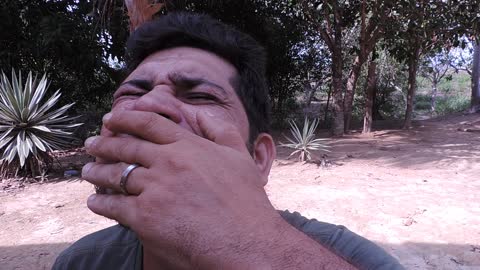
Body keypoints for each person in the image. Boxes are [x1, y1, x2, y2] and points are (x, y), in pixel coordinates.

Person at [52, 12, 404, 270]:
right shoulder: (81, 263)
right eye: (131, 92)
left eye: (201, 96)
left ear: (258, 158)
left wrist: (251, 246)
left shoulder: (351, 257)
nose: (147, 106)